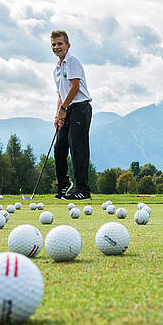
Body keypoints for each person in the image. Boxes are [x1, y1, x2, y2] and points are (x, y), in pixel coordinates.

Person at [50, 30, 92, 200]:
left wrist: (63, 109)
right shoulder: (56, 69)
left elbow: (75, 87)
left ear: (67, 46)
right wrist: (57, 115)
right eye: (53, 44)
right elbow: (61, 93)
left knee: (78, 149)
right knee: (59, 148)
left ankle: (83, 190)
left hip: (80, 108)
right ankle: (63, 185)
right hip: (67, 110)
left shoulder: (72, 61)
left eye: (60, 44)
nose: (56, 47)